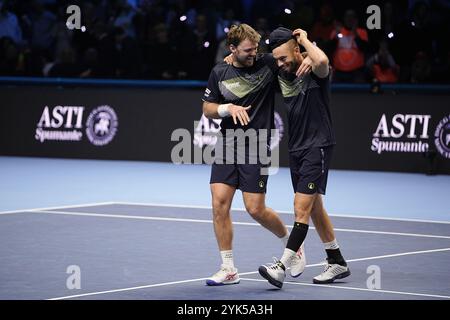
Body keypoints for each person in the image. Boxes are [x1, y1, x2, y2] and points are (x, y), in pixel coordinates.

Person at [202, 24, 305, 286]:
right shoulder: (220, 71)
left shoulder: (268, 64)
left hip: (256, 143)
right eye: (247, 50)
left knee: (255, 208)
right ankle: (228, 268)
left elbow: (292, 55)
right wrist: (227, 108)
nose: (253, 54)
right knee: (219, 204)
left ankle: (292, 248)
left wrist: (302, 50)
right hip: (227, 142)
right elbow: (207, 108)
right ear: (232, 49)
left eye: (255, 49)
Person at [258, 27, 350, 288]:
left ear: (297, 50)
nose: (280, 64)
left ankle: (281, 267)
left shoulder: (316, 72)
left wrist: (305, 39)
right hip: (297, 148)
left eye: (284, 58)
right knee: (315, 207)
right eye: (277, 59)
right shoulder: (282, 72)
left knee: (301, 209)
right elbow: (252, 58)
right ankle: (337, 261)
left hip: (317, 145)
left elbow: (321, 61)